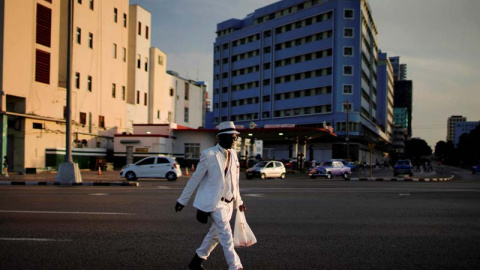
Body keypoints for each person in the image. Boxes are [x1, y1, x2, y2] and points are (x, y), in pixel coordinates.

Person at [175, 121, 246, 270]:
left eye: (235, 137)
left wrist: (239, 201)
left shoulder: (233, 154)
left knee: (215, 235)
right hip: (215, 204)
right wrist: (182, 200)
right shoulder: (209, 155)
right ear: (221, 138)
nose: (234, 140)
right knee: (226, 235)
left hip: (228, 203)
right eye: (231, 137)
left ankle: (196, 261)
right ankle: (235, 266)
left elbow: (235, 182)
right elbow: (195, 179)